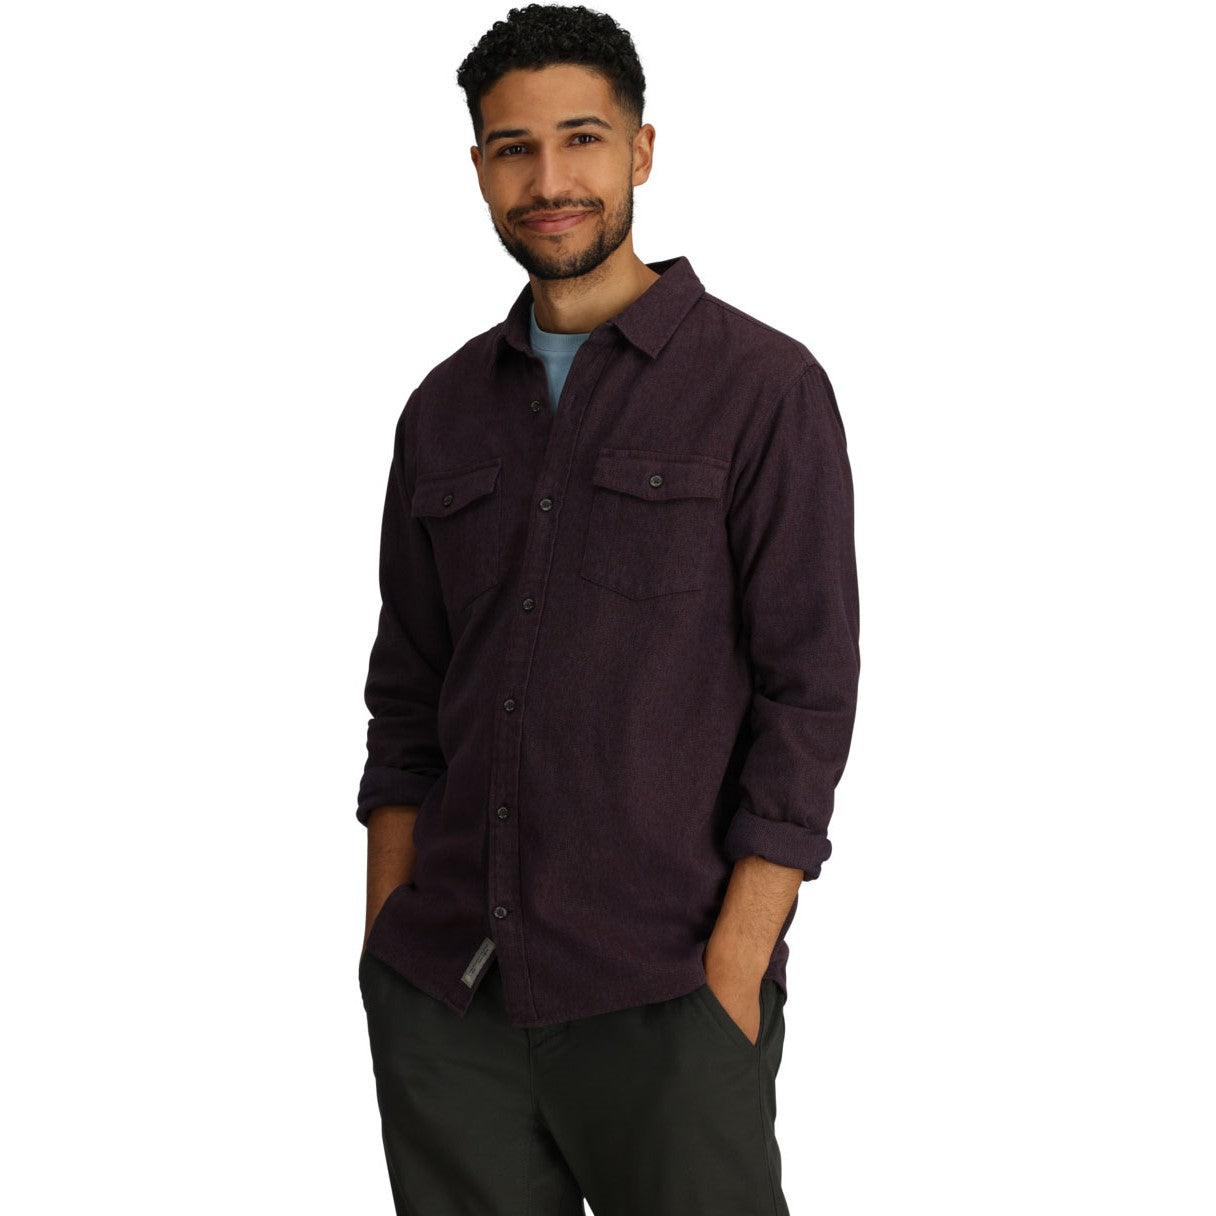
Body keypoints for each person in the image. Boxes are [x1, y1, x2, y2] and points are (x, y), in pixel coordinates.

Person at [354, 5, 860, 1213]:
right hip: (450, 1003)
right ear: (479, 168)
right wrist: (386, 941)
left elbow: (807, 696)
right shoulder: (441, 411)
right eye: (513, 149)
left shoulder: (762, 390)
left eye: (581, 139)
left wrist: (733, 967)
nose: (549, 181)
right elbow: (407, 696)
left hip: (666, 998)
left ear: (640, 149)